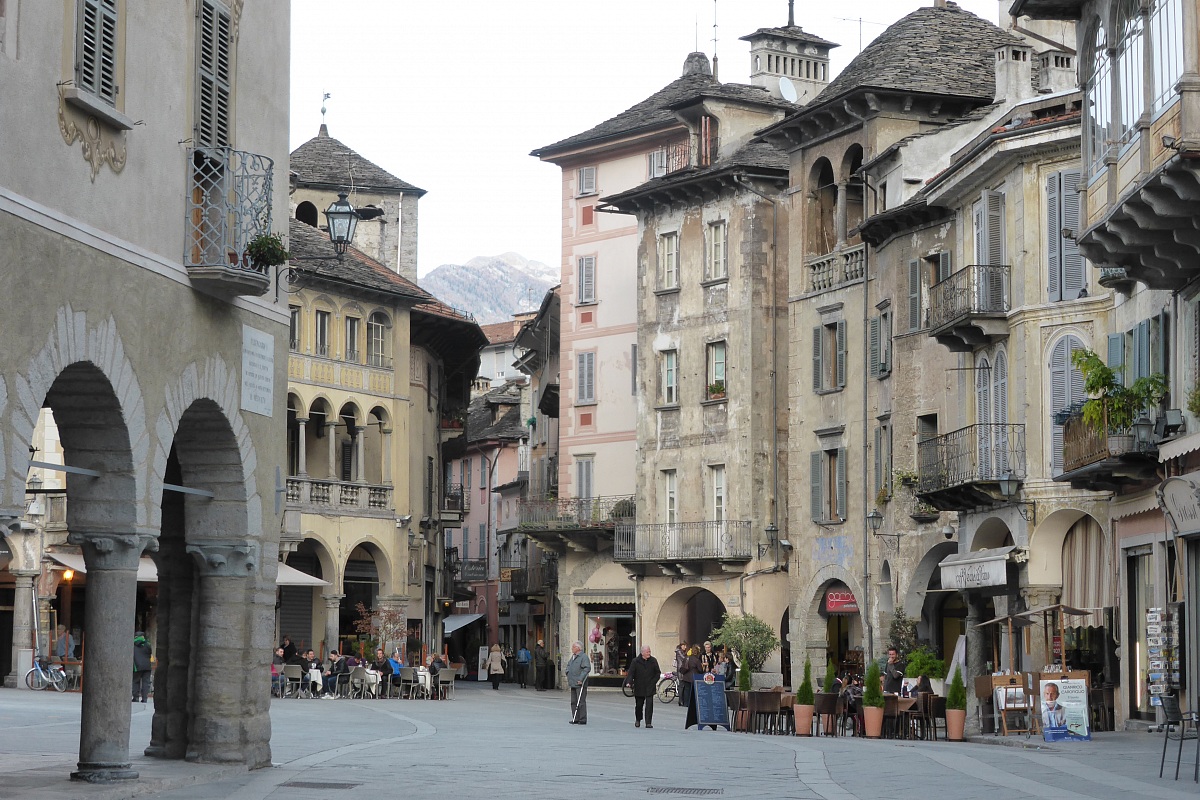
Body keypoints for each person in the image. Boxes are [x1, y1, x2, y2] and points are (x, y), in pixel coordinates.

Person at [624, 645, 661, 729]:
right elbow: (631, 673)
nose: (649, 653)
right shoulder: (635, 661)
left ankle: (648, 722)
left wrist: (653, 682)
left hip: (650, 686)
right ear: (642, 653)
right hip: (639, 686)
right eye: (647, 652)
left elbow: (657, 673)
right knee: (639, 705)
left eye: (649, 651)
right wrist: (629, 682)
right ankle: (638, 719)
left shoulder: (653, 661)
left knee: (649, 705)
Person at [565, 640, 591, 724]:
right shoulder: (573, 657)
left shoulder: (583, 657)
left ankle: (582, 719)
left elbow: (587, 668)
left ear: (578, 648)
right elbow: (569, 665)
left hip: (580, 683)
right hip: (572, 682)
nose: (572, 648)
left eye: (573, 647)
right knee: (573, 701)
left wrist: (581, 679)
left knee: (581, 701)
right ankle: (575, 718)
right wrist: (567, 672)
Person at [679, 646, 701, 726]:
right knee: (694, 692)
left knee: (687, 690)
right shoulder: (697, 660)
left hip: (686, 677)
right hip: (694, 677)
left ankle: (686, 703)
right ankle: (692, 704)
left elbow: (682, 666)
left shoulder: (687, 658)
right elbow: (700, 670)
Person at [132, 631, 152, 703]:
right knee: (146, 682)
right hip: (147, 666)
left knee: (135, 682)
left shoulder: (132, 644)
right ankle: (145, 698)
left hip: (136, 666)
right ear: (143, 636)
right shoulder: (147, 644)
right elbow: (150, 653)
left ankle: (136, 698)